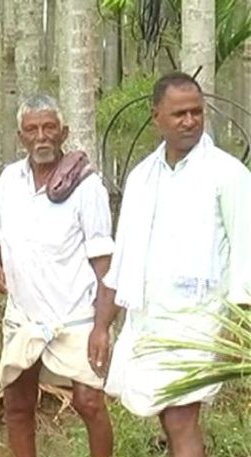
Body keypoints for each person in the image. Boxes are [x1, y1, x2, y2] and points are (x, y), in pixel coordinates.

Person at [89, 72, 251, 457]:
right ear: (156, 116)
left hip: (202, 319)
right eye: (179, 114)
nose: (190, 121)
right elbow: (124, 255)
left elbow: (247, 253)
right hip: (150, 318)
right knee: (167, 414)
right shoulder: (143, 177)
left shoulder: (229, 175)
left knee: (181, 418)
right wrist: (102, 325)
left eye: (196, 112)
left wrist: (236, 327)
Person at [0, 95, 115, 457]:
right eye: (32, 129)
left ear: (64, 133)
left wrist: (102, 326)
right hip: (24, 314)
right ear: (20, 137)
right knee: (18, 402)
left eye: (49, 128)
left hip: (75, 316)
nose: (41, 136)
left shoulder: (87, 187)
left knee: (89, 403)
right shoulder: (10, 179)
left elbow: (105, 263)